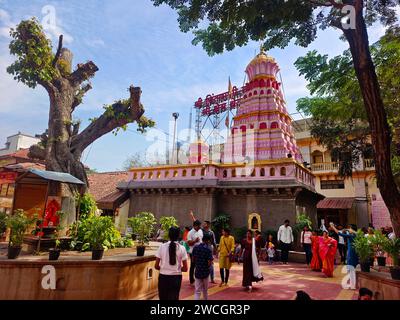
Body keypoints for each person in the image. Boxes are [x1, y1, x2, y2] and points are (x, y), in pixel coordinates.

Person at [155, 226, 188, 300]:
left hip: (163, 277)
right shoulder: (182, 248)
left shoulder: (162, 247)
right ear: (178, 236)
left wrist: (164, 268)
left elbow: (156, 266)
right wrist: (176, 269)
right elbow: (185, 268)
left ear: (169, 235)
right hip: (176, 278)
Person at [330, 223, 358, 289]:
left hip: (351, 253)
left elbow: (339, 233)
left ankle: (353, 285)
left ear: (352, 229)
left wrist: (333, 227)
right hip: (353, 252)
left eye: (350, 228)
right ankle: (352, 284)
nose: (349, 229)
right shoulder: (354, 234)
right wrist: (346, 229)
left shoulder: (352, 235)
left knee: (351, 269)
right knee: (351, 269)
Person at [192, 233, 213, 300]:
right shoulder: (208, 250)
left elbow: (193, 260)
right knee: (205, 290)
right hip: (205, 272)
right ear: (208, 241)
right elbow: (209, 263)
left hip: (198, 271)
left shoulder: (196, 248)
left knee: (197, 291)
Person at [187, 219, 204, 285]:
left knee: (199, 265)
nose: (200, 227)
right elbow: (189, 243)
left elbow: (201, 240)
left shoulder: (200, 231)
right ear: (194, 226)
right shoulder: (190, 232)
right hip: (193, 252)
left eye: (200, 226)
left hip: (200, 251)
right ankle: (191, 280)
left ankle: (198, 279)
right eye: (198, 226)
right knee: (193, 265)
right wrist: (194, 241)